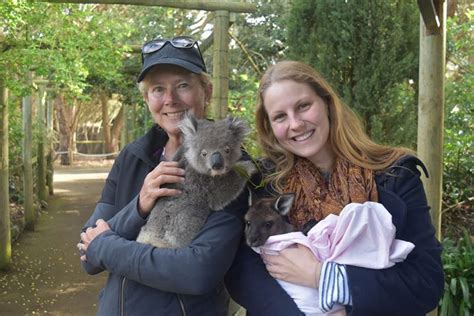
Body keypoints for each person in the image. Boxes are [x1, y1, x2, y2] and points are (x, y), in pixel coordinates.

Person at [225, 60, 444, 315]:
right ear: (271, 128)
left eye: (303, 106)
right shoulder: (263, 183)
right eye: (280, 117)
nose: (295, 124)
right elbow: (243, 272)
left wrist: (323, 276)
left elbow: (426, 284)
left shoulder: (394, 175)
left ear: (327, 104)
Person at [77, 36, 249, 315]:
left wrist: (106, 246)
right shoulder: (133, 157)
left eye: (182, 85)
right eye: (158, 89)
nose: (170, 99)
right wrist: (139, 206)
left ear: (207, 90)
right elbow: (88, 258)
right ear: (147, 99)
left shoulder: (229, 166)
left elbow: (197, 272)